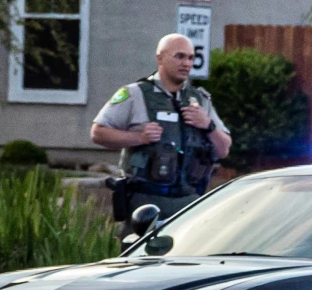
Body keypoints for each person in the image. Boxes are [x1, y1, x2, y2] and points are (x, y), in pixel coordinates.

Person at [92, 33, 232, 220]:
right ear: (160, 58)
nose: (187, 63)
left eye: (191, 58)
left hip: (189, 205)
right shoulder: (135, 94)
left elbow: (224, 149)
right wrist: (139, 138)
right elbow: (98, 133)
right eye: (180, 56)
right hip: (145, 206)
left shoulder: (200, 100)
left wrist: (208, 125)